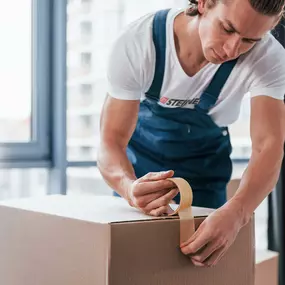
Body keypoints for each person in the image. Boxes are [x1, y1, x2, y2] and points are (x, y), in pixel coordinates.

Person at [98, 0, 285, 267]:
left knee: (202, 267)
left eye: (249, 40)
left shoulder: (270, 58)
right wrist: (128, 188)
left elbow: (269, 146)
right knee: (136, 267)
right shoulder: (138, 43)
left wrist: (238, 212)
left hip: (205, 168)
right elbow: (110, 141)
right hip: (141, 174)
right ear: (204, 3)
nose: (233, 49)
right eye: (227, 28)